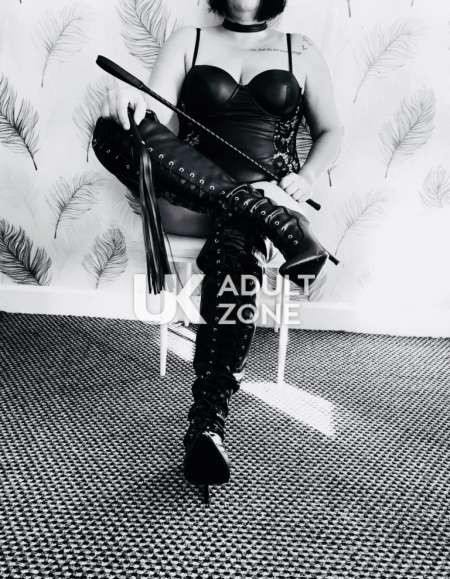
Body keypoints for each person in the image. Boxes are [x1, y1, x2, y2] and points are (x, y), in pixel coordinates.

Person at [92, 0, 343, 503]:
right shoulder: (188, 40)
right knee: (110, 132)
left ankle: (207, 423)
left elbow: (332, 131)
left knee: (236, 253)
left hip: (268, 195)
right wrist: (128, 105)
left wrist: (306, 178)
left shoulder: (300, 50)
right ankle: (268, 219)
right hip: (192, 193)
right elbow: (154, 121)